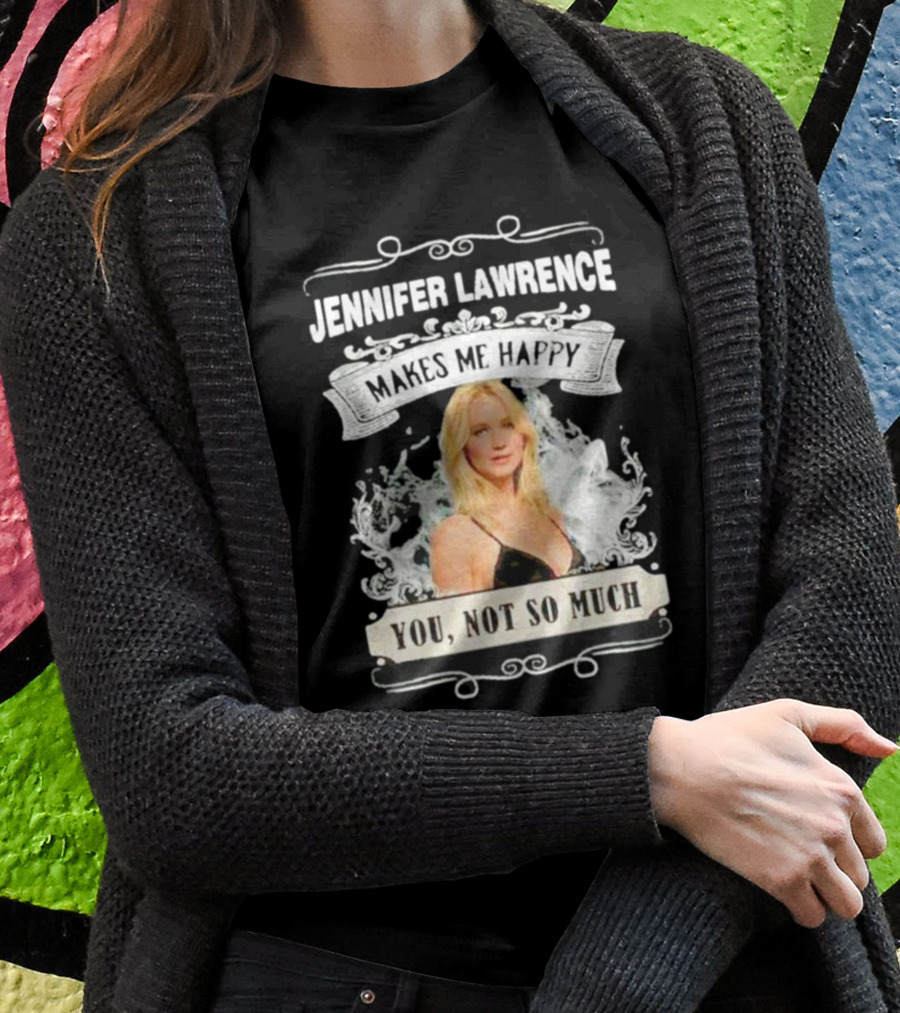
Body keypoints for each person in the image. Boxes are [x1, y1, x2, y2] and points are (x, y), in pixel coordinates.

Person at [0, 0, 899, 1011]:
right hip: (341, 980)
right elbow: (174, 772)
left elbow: (852, 602)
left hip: (710, 965)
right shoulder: (101, 237)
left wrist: (629, 970)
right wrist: (648, 773)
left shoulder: (704, 127)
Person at [431, 380, 585, 594]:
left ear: (524, 435)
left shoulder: (551, 515)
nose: (499, 442)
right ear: (462, 446)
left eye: (507, 425)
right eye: (481, 431)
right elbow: (455, 615)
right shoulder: (456, 534)